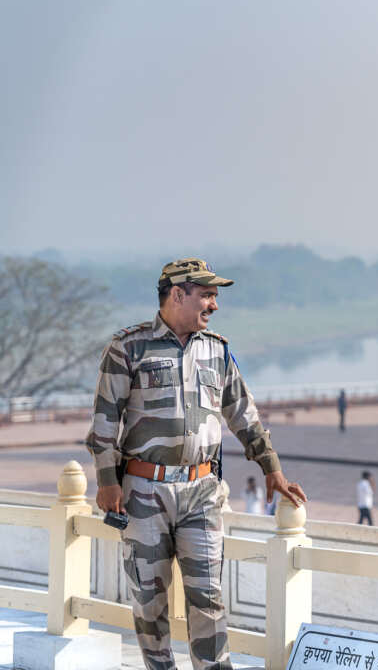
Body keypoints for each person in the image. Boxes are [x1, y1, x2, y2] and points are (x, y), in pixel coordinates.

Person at [84, 258, 308, 670]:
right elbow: (104, 420)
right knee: (149, 601)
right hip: (143, 492)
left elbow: (244, 414)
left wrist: (272, 468)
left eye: (215, 296)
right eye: (206, 295)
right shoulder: (128, 347)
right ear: (176, 294)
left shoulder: (217, 350)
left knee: (208, 598)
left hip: (202, 492)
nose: (214, 305)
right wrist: (106, 480)